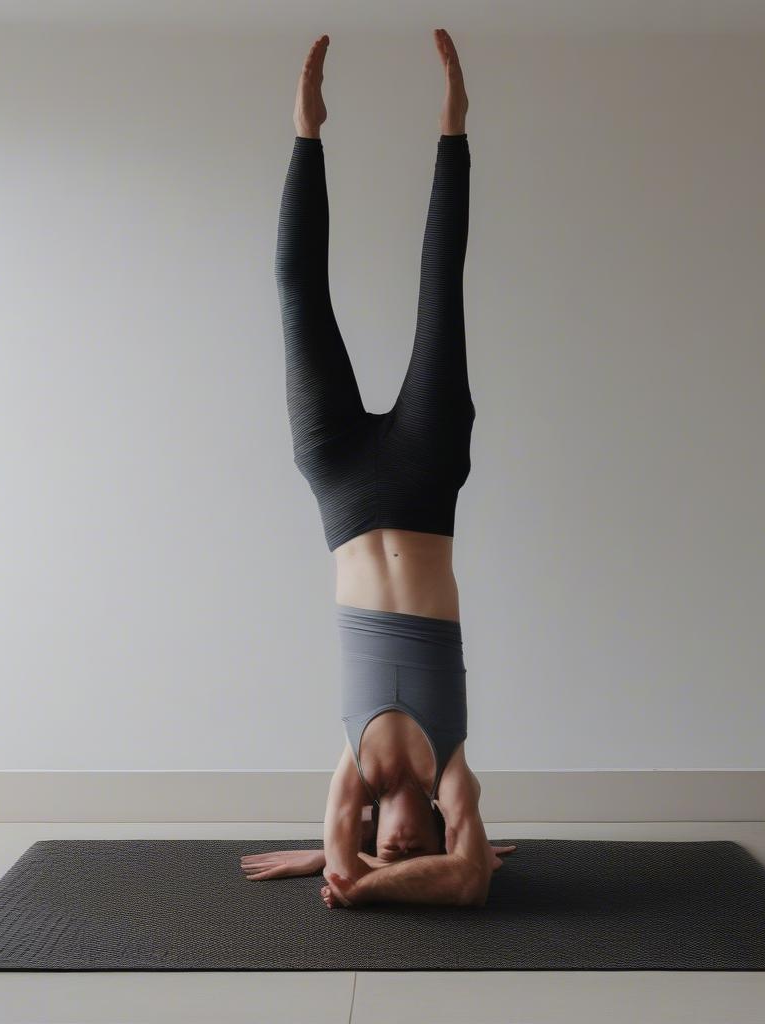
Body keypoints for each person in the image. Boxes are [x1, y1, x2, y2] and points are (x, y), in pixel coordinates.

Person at [242, 29, 516, 909]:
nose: (394, 846)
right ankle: (453, 129)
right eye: (413, 854)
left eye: (383, 852)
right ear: (435, 831)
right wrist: (373, 886)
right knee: (447, 283)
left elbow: (342, 861)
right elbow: (471, 883)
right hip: (430, 481)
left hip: (344, 487)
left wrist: (343, 870)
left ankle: (305, 132)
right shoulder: (456, 769)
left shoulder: (351, 774)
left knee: (294, 289)